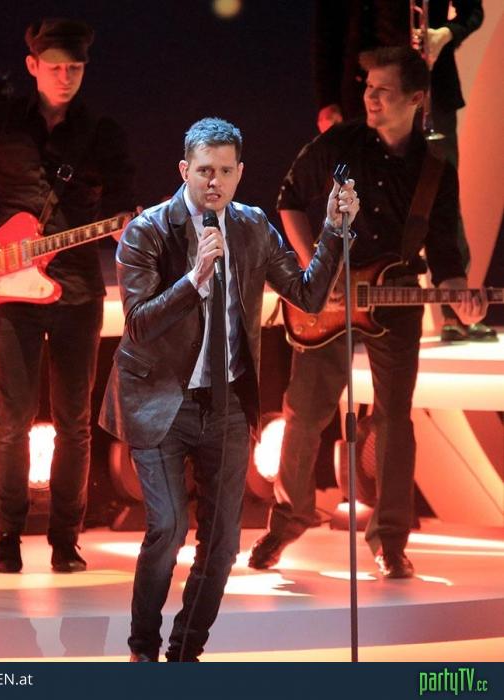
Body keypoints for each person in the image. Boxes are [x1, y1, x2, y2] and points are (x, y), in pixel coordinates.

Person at [99, 117, 359, 661]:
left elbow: (309, 297)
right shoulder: (147, 231)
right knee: (169, 528)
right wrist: (194, 279)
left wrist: (335, 230)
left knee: (221, 545)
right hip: (159, 400)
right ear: (183, 170)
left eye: (224, 171)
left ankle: (185, 654)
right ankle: (142, 650)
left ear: (240, 173)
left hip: (226, 402)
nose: (213, 181)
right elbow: (139, 324)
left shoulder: (252, 226)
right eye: (203, 171)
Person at [248, 47, 487, 578]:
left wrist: (459, 295)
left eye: (382, 90)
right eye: (368, 87)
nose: (370, 98)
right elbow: (289, 199)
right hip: (328, 298)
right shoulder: (342, 143)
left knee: (394, 419)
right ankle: (286, 522)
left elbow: (444, 252)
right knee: (303, 413)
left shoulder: (434, 170)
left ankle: (390, 541)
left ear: (416, 99)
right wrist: (314, 272)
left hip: (396, 297)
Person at [0, 18, 135, 573]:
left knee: (74, 422)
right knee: (12, 419)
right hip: (9, 287)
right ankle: (7, 536)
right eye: (55, 67)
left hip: (78, 289)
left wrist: (128, 227)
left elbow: (121, 213)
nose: (65, 77)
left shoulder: (103, 133)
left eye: (75, 68)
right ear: (32, 66)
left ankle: (66, 540)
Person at [312, 0, 494, 341]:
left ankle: (456, 309)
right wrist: (327, 99)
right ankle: (360, 312)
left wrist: (445, 34)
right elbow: (328, 29)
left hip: (431, 88)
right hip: (367, 92)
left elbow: (473, 12)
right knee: (363, 199)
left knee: (442, 198)